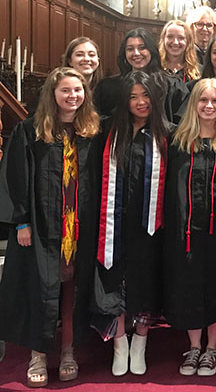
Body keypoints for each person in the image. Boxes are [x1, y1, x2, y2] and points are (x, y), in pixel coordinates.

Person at [0, 67, 100, 388]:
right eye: (65, 90)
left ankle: (67, 351)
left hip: (80, 225)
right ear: (52, 95)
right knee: (42, 287)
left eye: (78, 90)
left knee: (71, 288)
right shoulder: (32, 131)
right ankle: (38, 354)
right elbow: (17, 177)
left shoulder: (91, 131)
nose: (72, 96)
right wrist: (21, 221)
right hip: (41, 225)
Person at [93, 70, 171, 377]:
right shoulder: (108, 133)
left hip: (151, 226)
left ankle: (141, 341)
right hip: (114, 224)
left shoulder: (168, 134)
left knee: (145, 282)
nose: (140, 102)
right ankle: (119, 342)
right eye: (133, 97)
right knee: (116, 283)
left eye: (145, 96)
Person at [163, 78, 216, 377]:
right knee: (189, 287)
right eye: (203, 100)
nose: (209, 106)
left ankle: (212, 348)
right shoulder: (177, 141)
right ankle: (194, 347)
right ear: (193, 104)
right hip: (185, 232)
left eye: (215, 101)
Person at [94, 28, 188, 123]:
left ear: (151, 51)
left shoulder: (172, 85)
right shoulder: (108, 86)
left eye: (142, 48)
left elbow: (182, 123)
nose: (136, 53)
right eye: (130, 49)